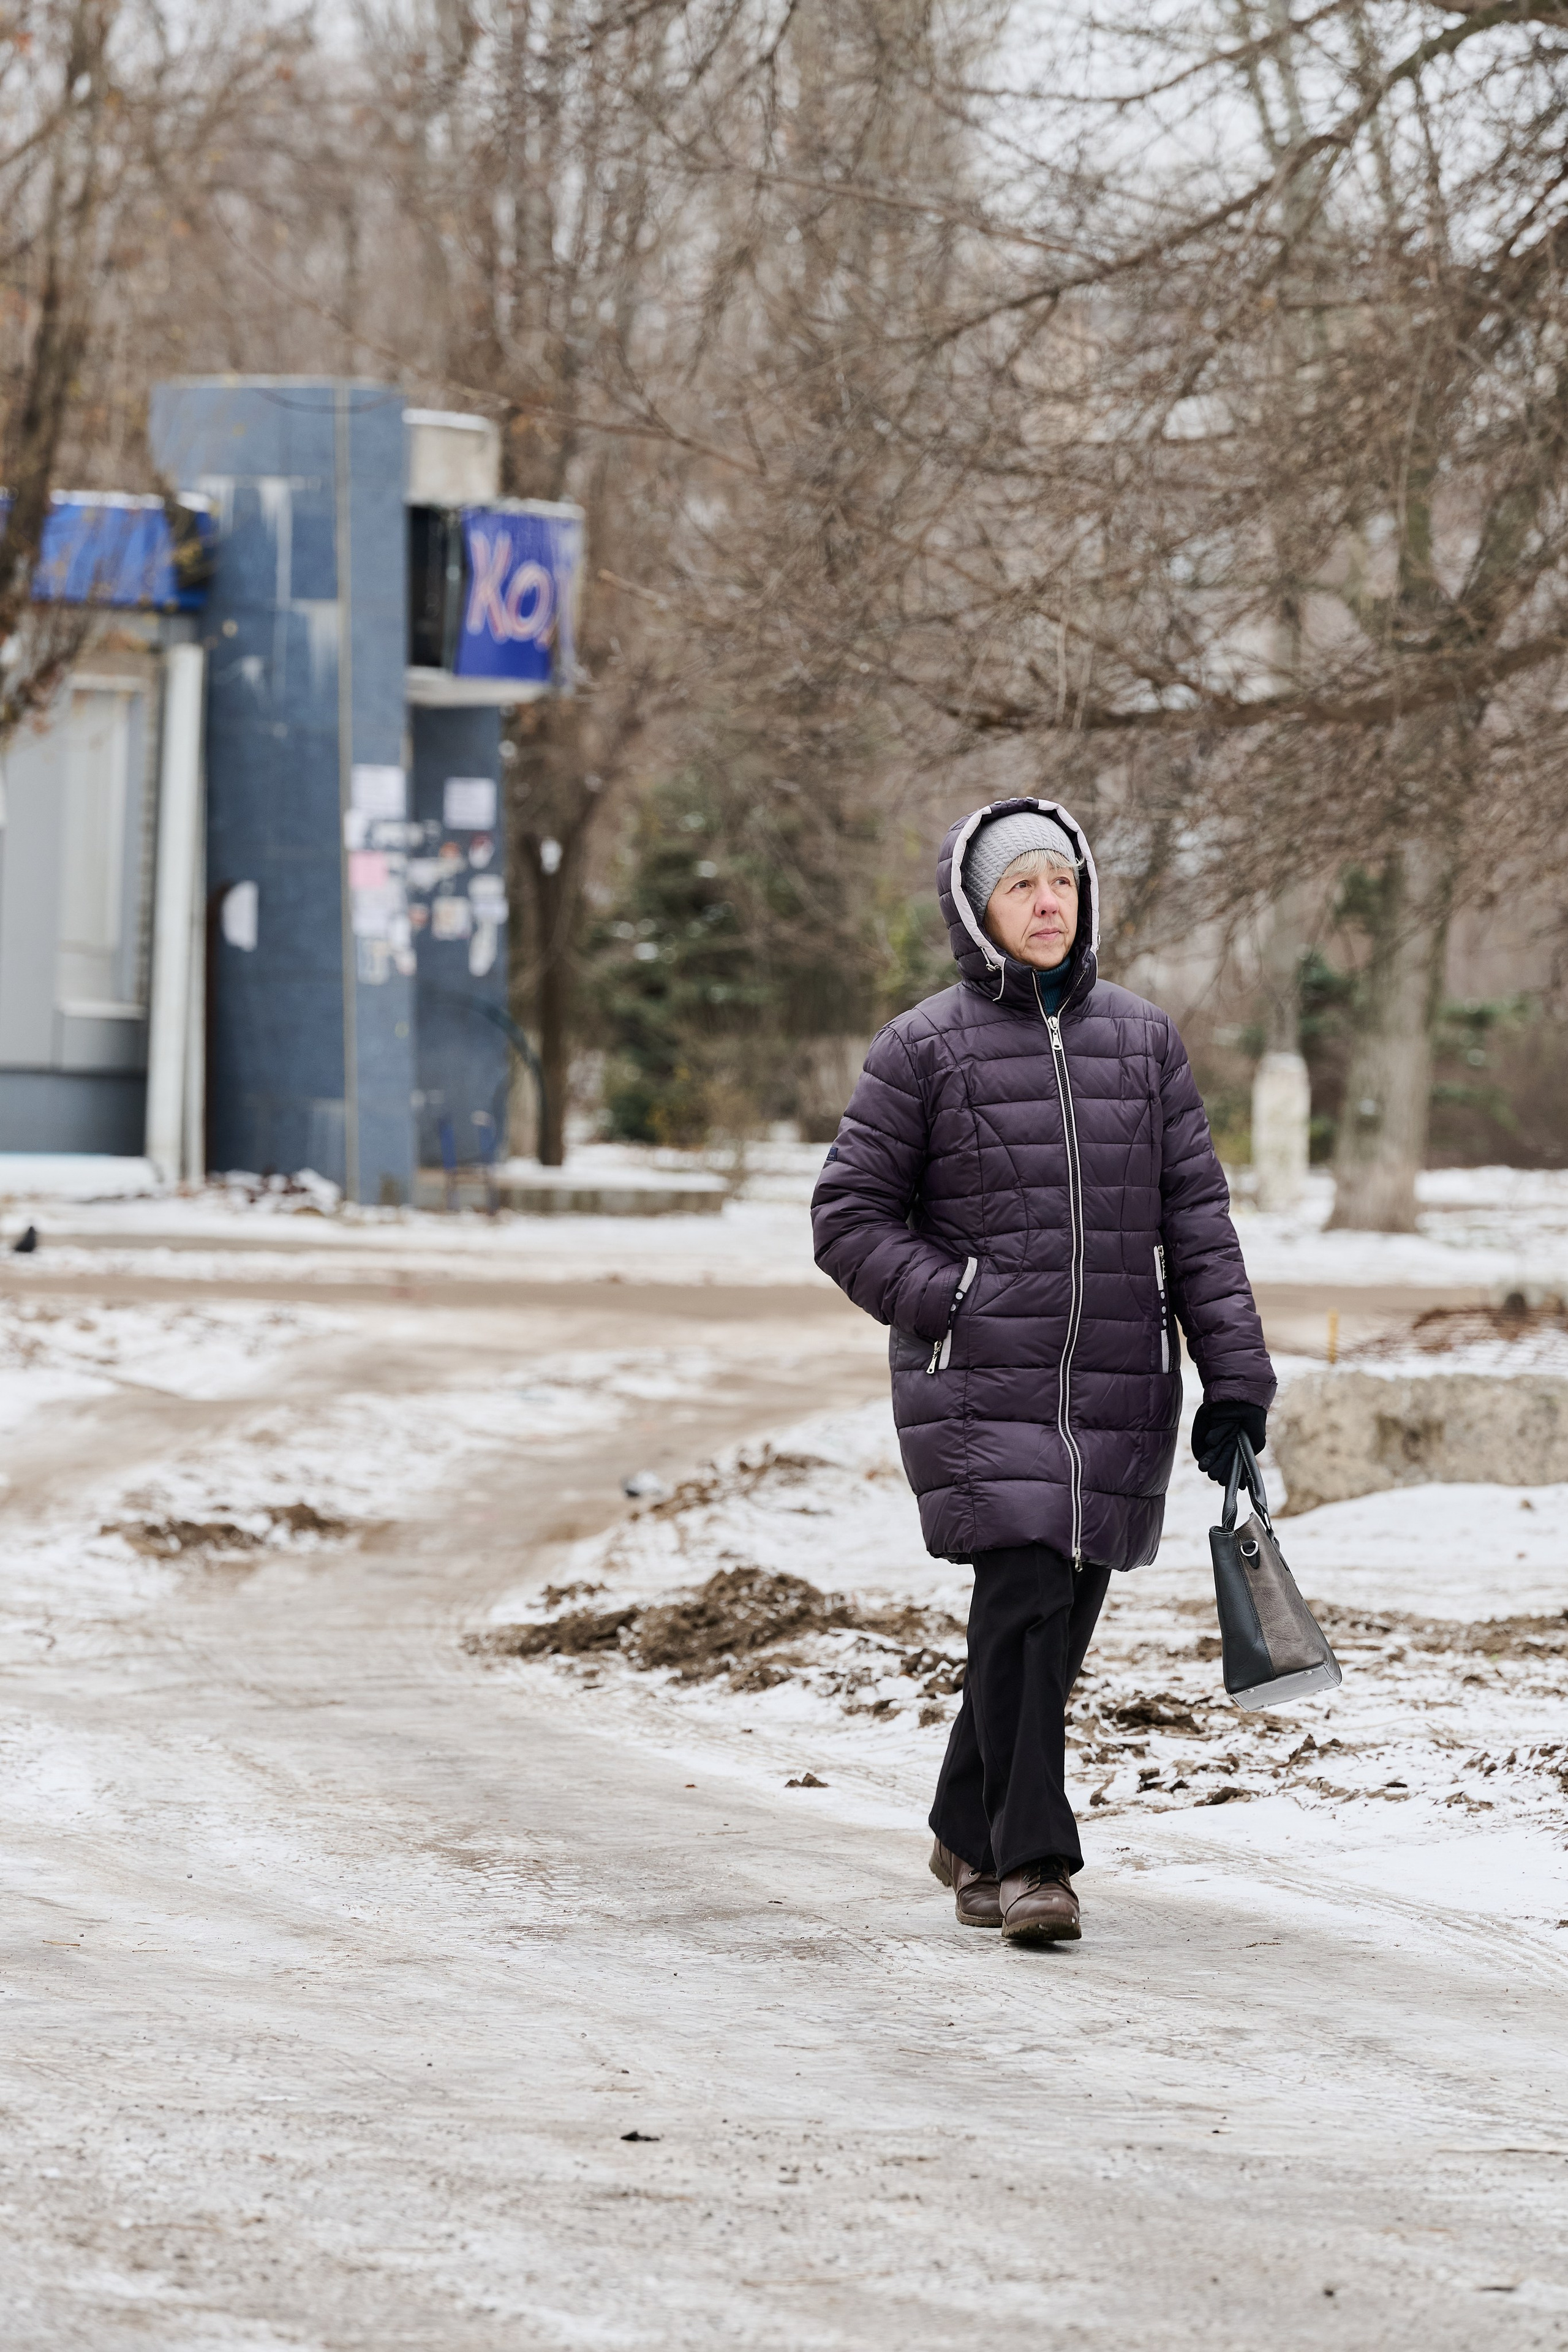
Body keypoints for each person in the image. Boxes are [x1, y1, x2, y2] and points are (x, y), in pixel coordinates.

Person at [810, 800, 1275, 1945]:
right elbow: (847, 1217)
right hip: (987, 1383)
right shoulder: (922, 1047)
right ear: (978, 909)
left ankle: (965, 1821)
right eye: (1021, 885)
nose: (1048, 902)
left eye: (1062, 880)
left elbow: (1198, 1224)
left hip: (1120, 1384)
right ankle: (1035, 1864)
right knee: (1020, 1602)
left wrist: (1236, 1381)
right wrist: (955, 1300)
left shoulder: (1144, 1042)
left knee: (1056, 1622)